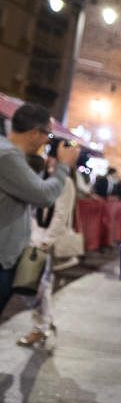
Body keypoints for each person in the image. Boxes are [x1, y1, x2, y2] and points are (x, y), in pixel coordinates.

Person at [0, 104, 79, 315]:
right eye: (48, 134)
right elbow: (43, 195)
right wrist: (63, 166)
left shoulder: (7, 152)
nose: (47, 141)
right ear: (35, 133)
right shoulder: (7, 156)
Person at [16, 159, 79, 347]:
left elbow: (62, 214)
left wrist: (45, 240)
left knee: (37, 285)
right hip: (31, 237)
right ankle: (45, 323)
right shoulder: (39, 177)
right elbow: (31, 209)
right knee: (38, 284)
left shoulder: (65, 182)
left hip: (44, 241)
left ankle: (40, 327)